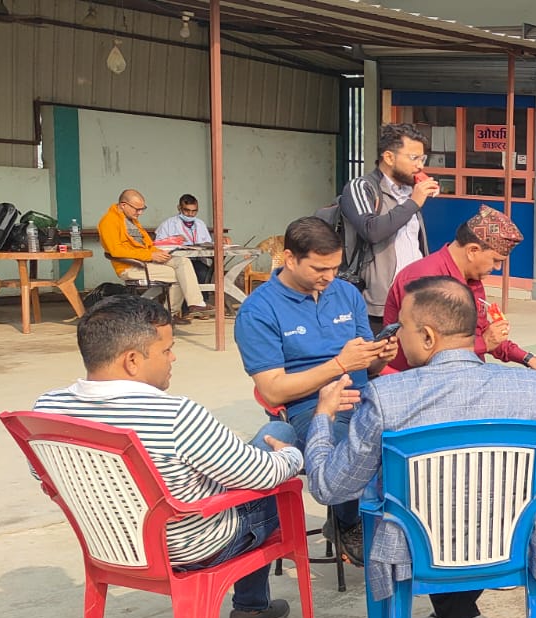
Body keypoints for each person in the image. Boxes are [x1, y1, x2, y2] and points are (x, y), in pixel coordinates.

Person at [303, 276, 536, 618]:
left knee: (415, 505)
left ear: (428, 336)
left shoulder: (388, 397)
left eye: (401, 327)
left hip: (420, 554)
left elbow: (329, 488)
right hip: (510, 546)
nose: (396, 337)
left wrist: (322, 417)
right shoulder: (529, 389)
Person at [33, 296, 303, 618]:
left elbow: (44, 477)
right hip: (194, 546)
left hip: (109, 545)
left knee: (225, 464)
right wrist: (292, 457)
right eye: (166, 350)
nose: (173, 358)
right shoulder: (175, 415)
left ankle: (251, 607)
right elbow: (260, 476)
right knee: (275, 436)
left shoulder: (47, 407)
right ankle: (251, 609)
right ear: (132, 360)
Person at [235, 216, 398, 561]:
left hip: (363, 397)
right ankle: (349, 522)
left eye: (335, 268)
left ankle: (397, 525)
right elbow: (273, 391)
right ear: (290, 259)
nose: (329, 277)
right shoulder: (259, 311)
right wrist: (339, 365)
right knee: (356, 442)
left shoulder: (346, 293)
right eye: (320, 269)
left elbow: (366, 365)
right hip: (308, 408)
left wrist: (379, 357)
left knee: (418, 434)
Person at [383, 205, 536, 374]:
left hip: (463, 374)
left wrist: (526, 358)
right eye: (496, 260)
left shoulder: (473, 279)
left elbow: (482, 331)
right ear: (473, 250)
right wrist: (484, 344)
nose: (497, 268)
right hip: (418, 379)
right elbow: (424, 349)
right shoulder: (422, 279)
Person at [341, 123, 441, 331]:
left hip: (415, 297)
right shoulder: (362, 187)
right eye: (413, 158)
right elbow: (371, 231)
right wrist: (413, 203)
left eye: (422, 159)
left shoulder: (410, 191)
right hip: (377, 303)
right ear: (388, 157)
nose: (420, 166)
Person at [97, 189, 213, 323]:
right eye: (137, 209)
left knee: (183, 262)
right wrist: (150, 255)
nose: (140, 213)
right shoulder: (109, 221)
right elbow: (116, 251)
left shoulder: (131, 219)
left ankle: (196, 303)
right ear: (123, 205)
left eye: (142, 209)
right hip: (131, 266)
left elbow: (146, 244)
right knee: (179, 275)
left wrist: (158, 252)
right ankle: (168, 315)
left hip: (146, 260)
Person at [154, 194, 218, 283]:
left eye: (194, 211)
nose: (190, 214)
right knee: (193, 273)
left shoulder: (200, 224)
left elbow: (208, 244)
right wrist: (174, 240)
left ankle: (201, 293)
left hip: (197, 261)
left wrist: (219, 241)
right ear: (179, 208)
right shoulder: (168, 224)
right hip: (176, 261)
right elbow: (158, 246)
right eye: (187, 210)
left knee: (205, 273)